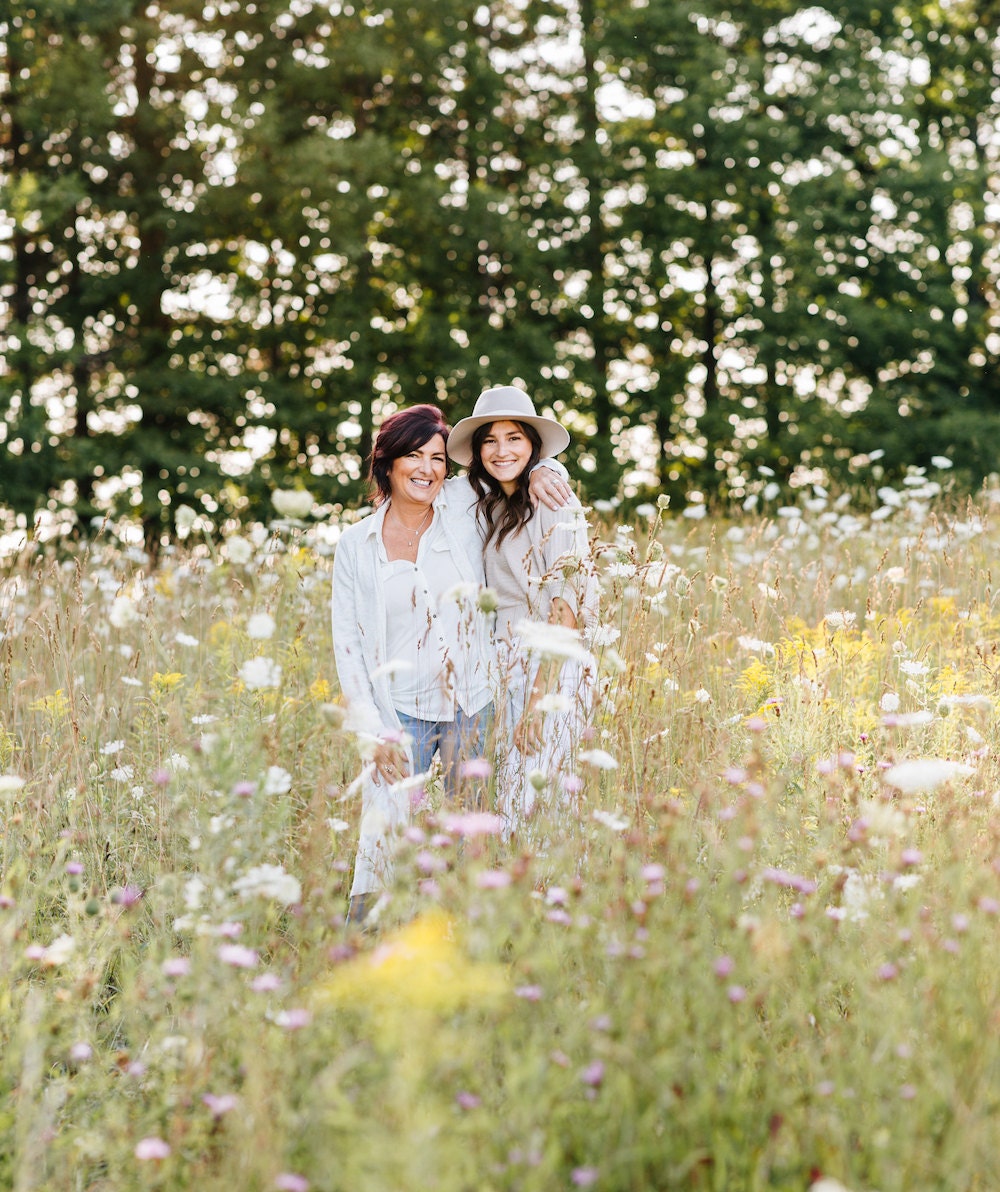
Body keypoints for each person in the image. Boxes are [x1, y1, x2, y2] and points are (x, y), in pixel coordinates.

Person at [331, 403, 571, 924]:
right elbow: (347, 646)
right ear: (387, 464)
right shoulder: (355, 546)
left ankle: (470, 942)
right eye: (412, 456)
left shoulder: (463, 505)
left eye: (438, 458)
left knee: (474, 833)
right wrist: (371, 732)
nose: (427, 469)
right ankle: (366, 940)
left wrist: (553, 469)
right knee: (385, 833)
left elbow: (516, 465)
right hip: (401, 713)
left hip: (474, 701)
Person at [447, 386, 598, 842]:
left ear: (532, 444)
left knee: (532, 801)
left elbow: (565, 608)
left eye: (514, 438)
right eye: (490, 441)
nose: (501, 450)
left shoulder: (553, 502)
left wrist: (538, 701)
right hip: (507, 666)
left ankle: (547, 901)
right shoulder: (489, 503)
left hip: (549, 670)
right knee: (519, 796)